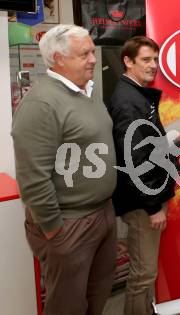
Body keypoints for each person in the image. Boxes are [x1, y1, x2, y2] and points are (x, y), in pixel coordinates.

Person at [11, 25, 117, 315]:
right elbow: (33, 177)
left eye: (92, 52)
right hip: (69, 224)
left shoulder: (88, 92)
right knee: (67, 306)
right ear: (58, 59)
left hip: (101, 214)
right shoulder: (41, 103)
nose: (93, 59)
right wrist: (54, 231)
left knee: (97, 295)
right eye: (85, 54)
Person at [107, 36, 175, 315]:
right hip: (142, 204)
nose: (153, 65)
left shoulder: (136, 93)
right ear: (128, 61)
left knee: (145, 271)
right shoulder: (127, 101)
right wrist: (152, 206)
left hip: (148, 196)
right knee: (143, 273)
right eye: (146, 60)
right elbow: (132, 159)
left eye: (155, 59)